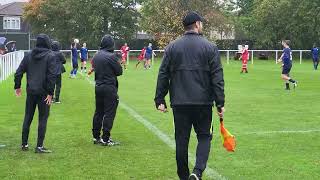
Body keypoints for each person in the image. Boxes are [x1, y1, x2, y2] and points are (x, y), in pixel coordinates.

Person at [154, 11, 225, 180]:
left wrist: (159, 99)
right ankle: (197, 172)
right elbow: (217, 77)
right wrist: (220, 102)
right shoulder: (210, 47)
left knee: (181, 140)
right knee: (204, 137)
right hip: (203, 103)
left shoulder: (172, 47)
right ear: (198, 24)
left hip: (180, 102)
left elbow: (163, 74)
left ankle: (184, 177)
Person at [14, 34, 56, 153]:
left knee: (28, 117)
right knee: (43, 118)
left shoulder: (28, 56)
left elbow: (18, 72)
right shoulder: (50, 56)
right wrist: (50, 92)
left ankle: (24, 144)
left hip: (31, 92)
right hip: (43, 93)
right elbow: (52, 76)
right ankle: (39, 146)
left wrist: (17, 86)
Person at [91, 35, 123, 146]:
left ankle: (96, 137)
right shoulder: (111, 56)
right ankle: (105, 138)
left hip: (98, 86)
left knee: (98, 112)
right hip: (109, 87)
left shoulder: (96, 56)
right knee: (109, 113)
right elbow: (119, 71)